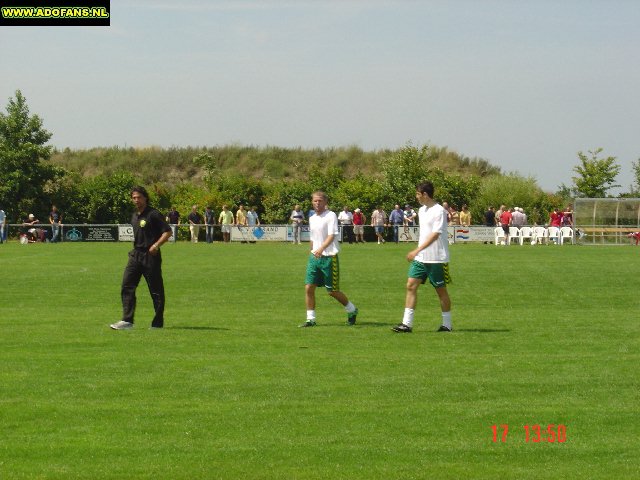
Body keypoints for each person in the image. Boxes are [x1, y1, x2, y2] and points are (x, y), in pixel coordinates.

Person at [392, 181, 452, 333]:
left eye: (418, 194)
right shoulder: (421, 210)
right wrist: (419, 252)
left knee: (441, 291)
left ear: (425, 194)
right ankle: (407, 324)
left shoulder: (439, 211)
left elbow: (436, 234)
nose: (416, 197)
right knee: (411, 285)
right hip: (421, 258)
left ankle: (447, 325)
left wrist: (416, 249)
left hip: (436, 258)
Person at [111, 186, 172, 330]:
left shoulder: (154, 214)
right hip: (136, 254)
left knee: (156, 290)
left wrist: (156, 245)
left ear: (145, 198)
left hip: (151, 256)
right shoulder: (134, 215)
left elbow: (167, 232)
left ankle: (157, 323)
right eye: (134, 198)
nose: (136, 200)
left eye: (139, 197)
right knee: (127, 285)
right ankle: (127, 321)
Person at [301, 191, 358, 327]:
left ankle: (352, 310)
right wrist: (312, 251)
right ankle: (310, 319)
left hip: (329, 258)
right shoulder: (312, 218)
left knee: (332, 291)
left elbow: (332, 235)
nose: (317, 203)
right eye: (315, 201)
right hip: (314, 258)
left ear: (326, 202)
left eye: (320, 200)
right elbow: (313, 237)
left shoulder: (331, 215)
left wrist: (321, 249)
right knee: (309, 287)